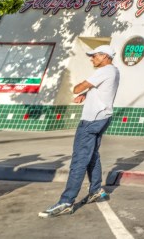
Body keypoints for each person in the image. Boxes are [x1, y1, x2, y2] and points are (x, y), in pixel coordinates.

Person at [40, 44, 120, 218]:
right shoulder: (114, 71)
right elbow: (99, 90)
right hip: (102, 118)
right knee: (92, 156)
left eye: (94, 56)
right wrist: (88, 94)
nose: (92, 59)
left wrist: (81, 90)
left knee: (79, 160)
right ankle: (96, 190)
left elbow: (78, 87)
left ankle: (66, 202)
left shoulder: (104, 70)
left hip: (91, 120)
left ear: (105, 56)